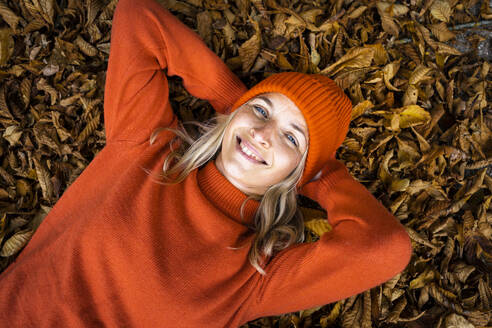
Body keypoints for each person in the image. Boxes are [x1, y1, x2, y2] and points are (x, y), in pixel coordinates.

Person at [0, 0, 412, 326]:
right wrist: (234, 103)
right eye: (262, 111)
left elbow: (386, 249)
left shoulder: (256, 276)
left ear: (298, 174)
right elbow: (138, 16)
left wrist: (321, 174)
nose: (263, 134)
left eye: (292, 138)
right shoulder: (148, 146)